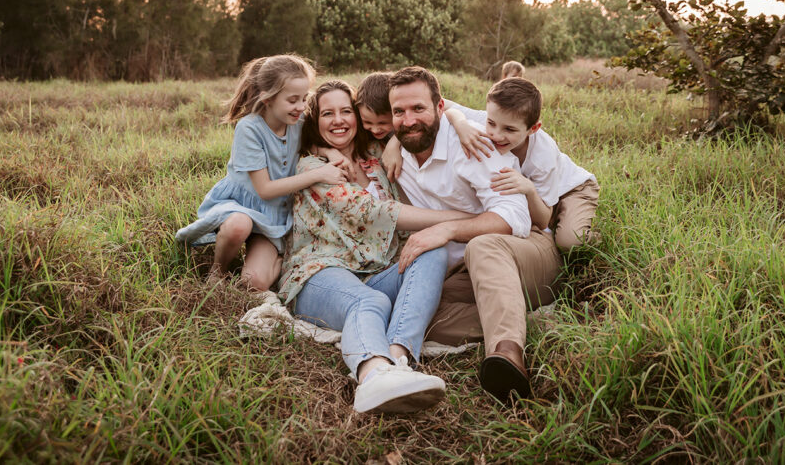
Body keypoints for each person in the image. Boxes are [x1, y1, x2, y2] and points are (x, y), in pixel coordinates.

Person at [279, 80, 474, 414]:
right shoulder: (313, 167)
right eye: (328, 113)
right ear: (315, 121)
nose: (338, 120)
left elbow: (428, 110)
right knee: (368, 300)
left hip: (374, 271)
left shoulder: (374, 158)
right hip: (319, 273)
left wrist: (397, 140)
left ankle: (398, 359)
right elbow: (379, 213)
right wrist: (467, 218)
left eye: (345, 111)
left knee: (430, 248)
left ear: (358, 117)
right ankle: (373, 376)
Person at [387, 66, 558, 403]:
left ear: (440, 108)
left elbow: (515, 218)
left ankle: (508, 355)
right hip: (466, 274)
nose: (408, 120)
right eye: (398, 112)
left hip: (525, 252)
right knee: (413, 311)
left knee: (482, 245)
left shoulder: (477, 143)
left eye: (418, 109)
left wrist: (447, 228)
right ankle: (528, 321)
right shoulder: (396, 154)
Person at [175, 55, 348, 290]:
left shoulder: (297, 119)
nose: (301, 106)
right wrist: (318, 174)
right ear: (268, 99)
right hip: (243, 205)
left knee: (254, 283)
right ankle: (218, 271)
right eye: (293, 100)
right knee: (239, 225)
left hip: (275, 214)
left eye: (305, 98)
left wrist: (330, 152)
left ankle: (281, 260)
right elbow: (265, 190)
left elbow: (309, 143)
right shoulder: (249, 128)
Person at [445, 77, 599, 249]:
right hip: (543, 196)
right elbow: (443, 105)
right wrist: (460, 124)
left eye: (509, 129)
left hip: (571, 190)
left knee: (569, 242)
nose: (496, 134)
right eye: (491, 123)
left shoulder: (543, 155)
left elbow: (542, 220)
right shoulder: (489, 119)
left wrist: (530, 190)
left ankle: (593, 237)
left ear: (533, 128)